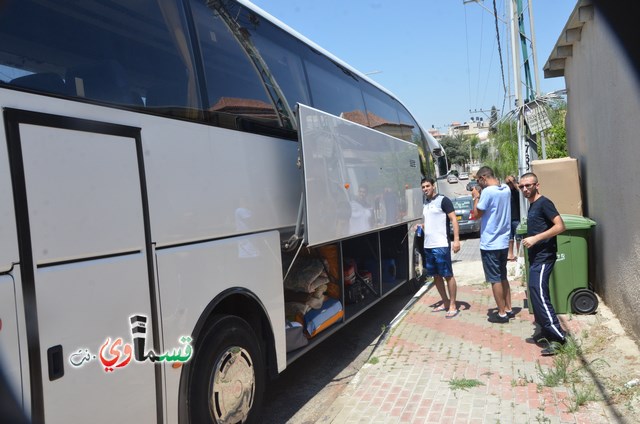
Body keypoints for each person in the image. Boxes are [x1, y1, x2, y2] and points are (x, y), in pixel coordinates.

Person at [519, 172, 568, 356]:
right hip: (535, 258)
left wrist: (536, 238)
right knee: (535, 294)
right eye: (521, 186)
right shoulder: (532, 206)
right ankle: (545, 331)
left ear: (537, 185)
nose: (525, 189)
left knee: (540, 295)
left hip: (544, 257)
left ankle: (558, 337)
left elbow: (560, 226)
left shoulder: (544, 203)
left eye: (528, 185)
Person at [471, 166, 514, 323]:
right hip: (503, 242)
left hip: (490, 243)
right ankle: (509, 308)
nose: (478, 184)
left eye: (478, 181)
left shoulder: (487, 192)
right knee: (503, 276)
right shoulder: (505, 189)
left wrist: (476, 197)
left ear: (483, 178)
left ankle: (501, 314)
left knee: (495, 279)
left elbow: (476, 215)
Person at [420, 177, 461, 318]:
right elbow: (430, 222)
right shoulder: (425, 203)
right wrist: (422, 227)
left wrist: (456, 240)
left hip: (441, 245)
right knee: (436, 276)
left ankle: (453, 305)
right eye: (423, 187)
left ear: (434, 186)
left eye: (427, 186)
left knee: (447, 275)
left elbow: (454, 219)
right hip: (428, 245)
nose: (425, 189)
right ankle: (445, 302)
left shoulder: (443, 200)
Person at [505, 175, 521, 261]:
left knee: (518, 237)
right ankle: (510, 255)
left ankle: (519, 254)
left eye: (509, 183)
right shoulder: (506, 192)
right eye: (507, 183)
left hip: (517, 218)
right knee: (509, 238)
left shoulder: (518, 190)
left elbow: (520, 191)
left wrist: (514, 183)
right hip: (508, 218)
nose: (509, 184)